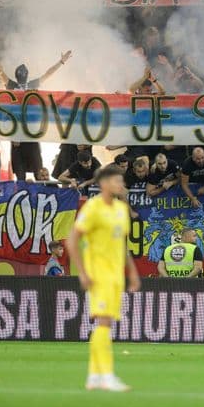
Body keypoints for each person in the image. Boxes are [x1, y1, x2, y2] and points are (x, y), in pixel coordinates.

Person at [65, 165, 140, 392]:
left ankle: (95, 376)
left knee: (105, 323)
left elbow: (122, 246)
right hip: (99, 273)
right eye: (117, 181)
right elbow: (71, 240)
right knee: (104, 322)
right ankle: (106, 375)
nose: (121, 185)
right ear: (104, 184)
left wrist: (133, 273)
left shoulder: (120, 209)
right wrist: (83, 272)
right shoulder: (93, 207)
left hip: (116, 274)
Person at [0, 42, 72, 180]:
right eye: (20, 73)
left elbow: (48, 74)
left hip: (31, 131)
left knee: (38, 166)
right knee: (20, 171)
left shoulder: (29, 85)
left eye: (24, 73)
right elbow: (0, 71)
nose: (22, 74)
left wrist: (61, 62)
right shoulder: (12, 85)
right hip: (17, 131)